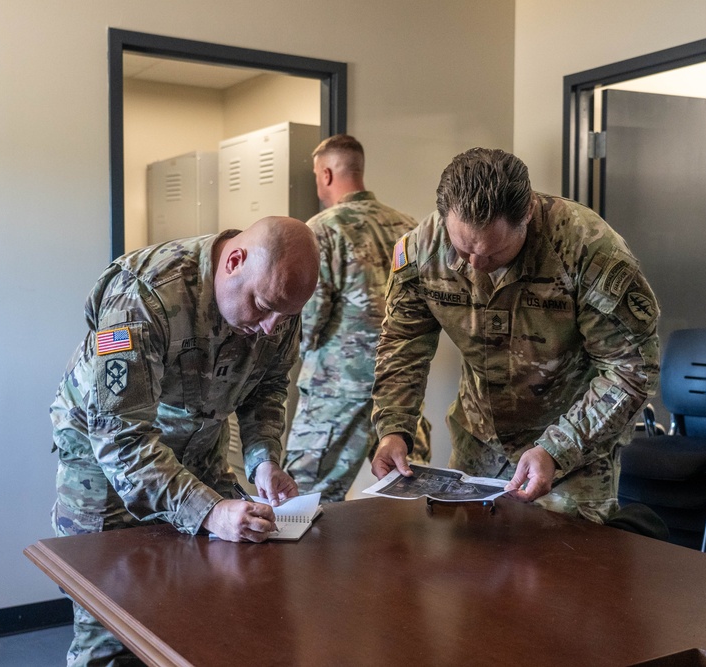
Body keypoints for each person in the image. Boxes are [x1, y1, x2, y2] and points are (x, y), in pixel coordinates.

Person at [49, 216, 319, 666]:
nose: (273, 327)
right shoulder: (143, 297)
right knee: (110, 616)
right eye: (263, 306)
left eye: (285, 316)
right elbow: (122, 439)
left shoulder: (277, 302)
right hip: (106, 457)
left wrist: (262, 460)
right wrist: (210, 510)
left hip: (198, 441)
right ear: (234, 261)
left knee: (210, 598)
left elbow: (267, 387)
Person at [370, 148, 660, 524]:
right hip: (478, 442)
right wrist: (394, 428)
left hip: (572, 446)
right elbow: (402, 347)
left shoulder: (587, 251)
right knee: (472, 566)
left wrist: (557, 449)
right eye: (462, 249)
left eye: (493, 255)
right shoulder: (421, 251)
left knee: (567, 569)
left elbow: (633, 369)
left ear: (526, 213)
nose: (474, 267)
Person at [283, 134, 430, 502]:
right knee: (407, 500)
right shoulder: (409, 228)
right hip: (400, 394)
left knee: (302, 503)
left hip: (336, 395)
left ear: (328, 174)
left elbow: (311, 321)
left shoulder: (321, 229)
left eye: (318, 175)